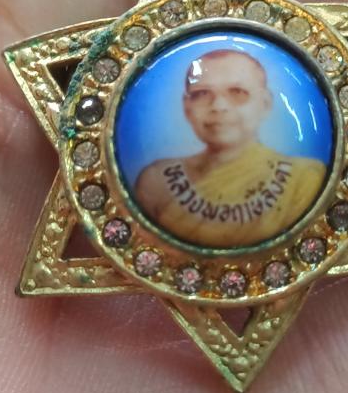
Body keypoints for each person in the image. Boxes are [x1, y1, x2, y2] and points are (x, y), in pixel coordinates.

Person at [134, 48, 326, 247]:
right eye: (202, 94)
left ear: (265, 103)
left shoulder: (305, 178)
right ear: (187, 106)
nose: (219, 106)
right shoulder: (156, 181)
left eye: (237, 92)